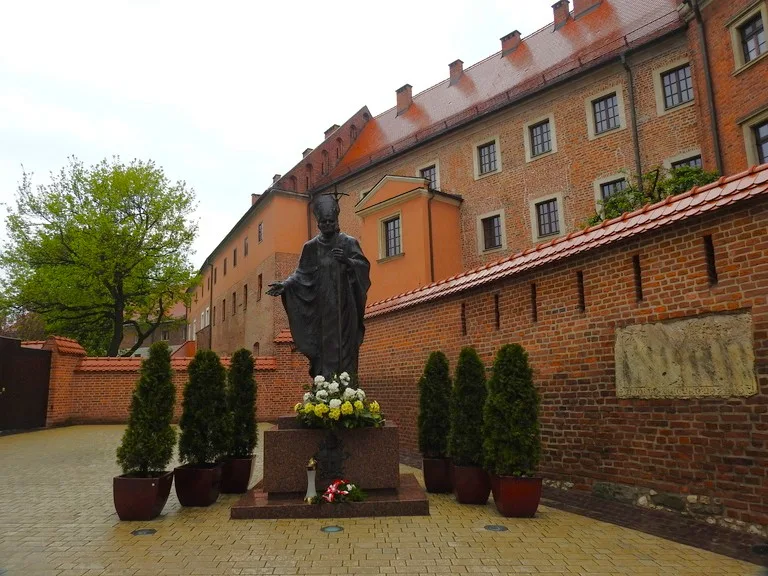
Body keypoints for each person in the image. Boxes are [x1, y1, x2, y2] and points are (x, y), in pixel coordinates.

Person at [266, 194, 370, 379]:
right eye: (324, 222)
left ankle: (347, 386)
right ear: (318, 223)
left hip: (345, 307)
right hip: (322, 308)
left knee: (346, 345)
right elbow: (301, 274)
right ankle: (325, 384)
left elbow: (363, 266)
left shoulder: (348, 242)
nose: (327, 224)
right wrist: (285, 285)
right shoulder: (311, 247)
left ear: (336, 220)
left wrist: (347, 261)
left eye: (331, 221)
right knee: (324, 346)